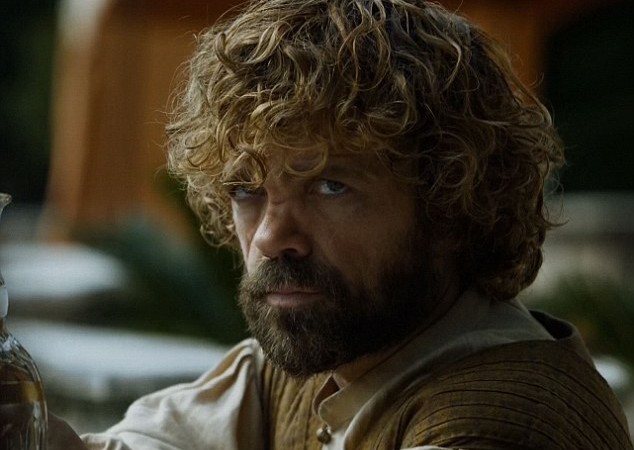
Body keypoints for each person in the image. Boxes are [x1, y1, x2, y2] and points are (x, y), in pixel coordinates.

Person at [49, 0, 633, 448]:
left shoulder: (495, 425)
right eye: (247, 190)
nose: (270, 237)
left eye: (331, 186)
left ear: (453, 201)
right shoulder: (330, 354)